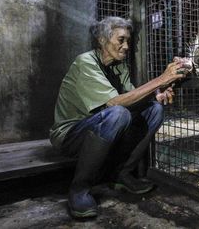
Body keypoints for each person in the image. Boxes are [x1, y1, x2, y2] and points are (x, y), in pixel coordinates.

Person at [50, 16, 187, 218]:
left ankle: (122, 174)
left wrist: (159, 93)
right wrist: (161, 79)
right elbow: (116, 103)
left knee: (154, 109)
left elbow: (133, 100)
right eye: (120, 40)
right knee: (117, 113)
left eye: (128, 41)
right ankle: (79, 189)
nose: (126, 46)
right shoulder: (85, 62)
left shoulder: (118, 66)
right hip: (70, 135)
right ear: (102, 40)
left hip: (102, 128)